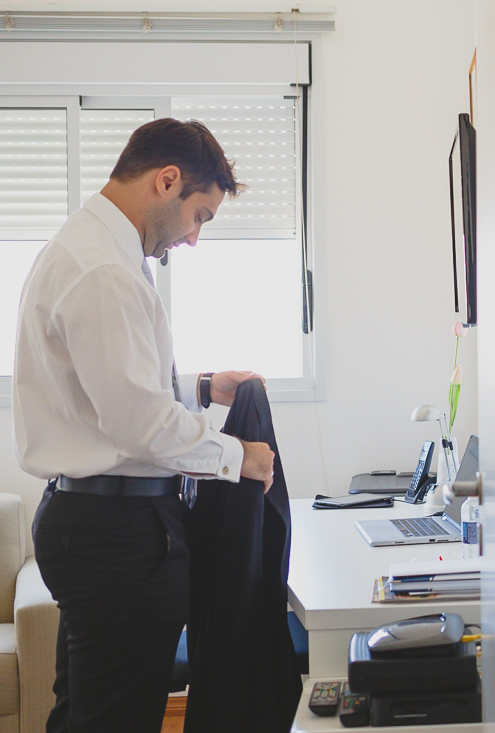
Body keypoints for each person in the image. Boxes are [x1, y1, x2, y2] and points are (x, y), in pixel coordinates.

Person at [13, 118, 277, 733]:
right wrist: (239, 456)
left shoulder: (89, 249)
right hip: (119, 538)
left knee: (85, 715)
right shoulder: (104, 270)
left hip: (96, 527)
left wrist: (208, 389)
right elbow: (138, 424)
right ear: (167, 181)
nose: (193, 238)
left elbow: (107, 391)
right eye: (201, 216)